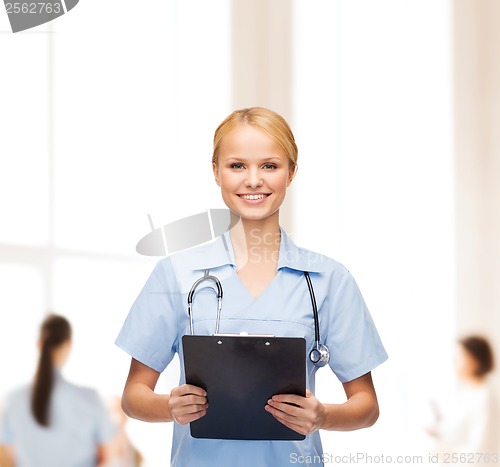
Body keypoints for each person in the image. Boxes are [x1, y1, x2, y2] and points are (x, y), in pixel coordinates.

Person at [115, 107, 388, 466]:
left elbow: (366, 406)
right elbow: (133, 396)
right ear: (216, 172)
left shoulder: (328, 280)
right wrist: (170, 406)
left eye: (270, 166)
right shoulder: (176, 274)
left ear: (291, 172)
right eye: (237, 165)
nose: (254, 180)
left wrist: (322, 416)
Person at [0, 314, 116, 467]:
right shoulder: (89, 398)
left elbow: (5, 460)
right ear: (69, 344)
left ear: (38, 344)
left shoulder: (13, 399)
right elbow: (105, 458)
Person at [428, 336, 498, 461]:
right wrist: (439, 430)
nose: (453, 362)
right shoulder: (464, 392)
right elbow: (458, 429)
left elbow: (481, 450)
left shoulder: (484, 398)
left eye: (459, 357)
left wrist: (450, 454)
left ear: (475, 361)